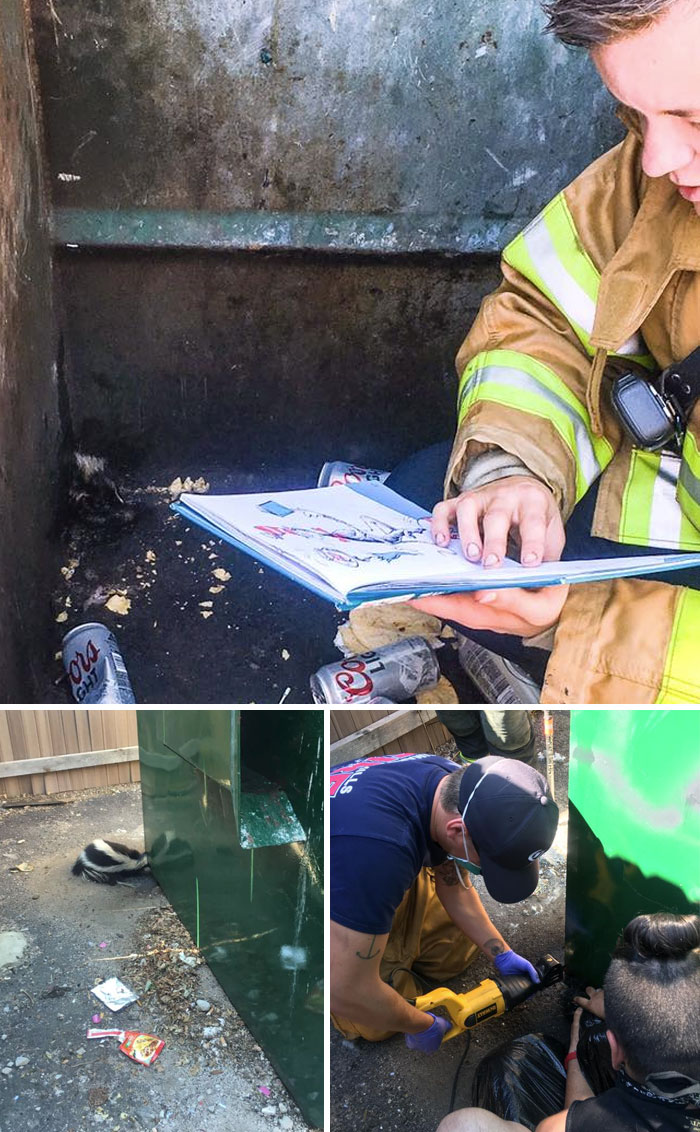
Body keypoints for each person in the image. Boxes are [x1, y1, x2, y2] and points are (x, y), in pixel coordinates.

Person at [388, 0, 700, 704]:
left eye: (695, 120)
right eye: (637, 118)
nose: (658, 160)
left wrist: (577, 627)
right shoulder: (650, 170)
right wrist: (511, 470)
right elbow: (547, 318)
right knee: (431, 505)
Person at [330, 753, 558, 1046]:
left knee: (453, 955)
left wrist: (501, 952)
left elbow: (456, 888)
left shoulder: (455, 788)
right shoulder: (378, 854)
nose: (484, 870)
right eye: (488, 864)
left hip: (372, 862)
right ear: (456, 831)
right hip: (331, 893)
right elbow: (345, 990)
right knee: (372, 1015)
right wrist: (420, 1025)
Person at [436, 911, 700, 1132]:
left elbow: (576, 1115)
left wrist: (575, 1053)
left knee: (464, 1125)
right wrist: (620, 1014)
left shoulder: (572, 1126)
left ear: (615, 1050)